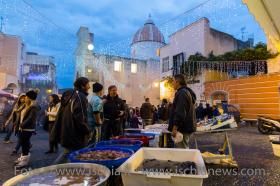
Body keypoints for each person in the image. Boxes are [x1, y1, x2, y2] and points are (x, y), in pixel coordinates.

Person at [51, 77, 91, 155]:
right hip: (75, 134)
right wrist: (87, 130)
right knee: (76, 157)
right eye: (88, 84)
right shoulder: (80, 97)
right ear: (83, 86)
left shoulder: (69, 95)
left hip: (66, 132)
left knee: (67, 154)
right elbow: (80, 118)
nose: (89, 87)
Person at [169, 74, 196, 149]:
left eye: (173, 81)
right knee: (183, 149)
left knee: (182, 152)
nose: (172, 84)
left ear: (178, 82)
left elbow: (181, 112)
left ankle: (185, 161)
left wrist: (175, 128)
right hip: (184, 128)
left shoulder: (182, 93)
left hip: (182, 129)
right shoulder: (184, 92)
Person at [15, 90, 40, 167]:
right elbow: (19, 112)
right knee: (23, 143)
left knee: (25, 144)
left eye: (26, 96)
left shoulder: (33, 106)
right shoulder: (27, 105)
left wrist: (22, 125)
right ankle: (23, 158)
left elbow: (30, 118)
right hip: (23, 128)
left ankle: (25, 161)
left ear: (29, 97)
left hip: (27, 128)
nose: (25, 98)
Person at [87, 82, 104, 146]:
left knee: (91, 141)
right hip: (95, 125)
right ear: (100, 90)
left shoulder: (92, 98)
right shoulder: (97, 99)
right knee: (95, 142)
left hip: (90, 123)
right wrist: (99, 121)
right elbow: (96, 112)